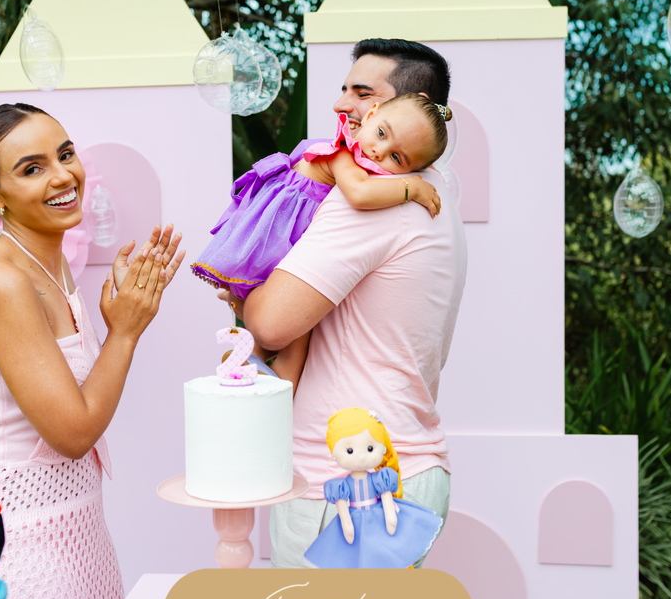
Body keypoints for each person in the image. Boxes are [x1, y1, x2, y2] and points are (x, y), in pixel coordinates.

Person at [0, 103, 185, 599]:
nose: (62, 176)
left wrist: (117, 322)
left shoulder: (49, 263)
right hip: (8, 532)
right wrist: (125, 332)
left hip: (73, 522)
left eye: (66, 154)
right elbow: (73, 433)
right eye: (32, 168)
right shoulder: (2, 283)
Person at [241, 38, 468, 569]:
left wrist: (246, 296)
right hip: (402, 469)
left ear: (412, 105)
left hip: (349, 487)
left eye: (363, 93)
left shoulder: (374, 198)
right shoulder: (434, 193)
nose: (342, 105)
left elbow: (270, 324)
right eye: (344, 89)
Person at [191, 92, 452, 385]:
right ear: (370, 115)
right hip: (283, 230)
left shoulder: (361, 160)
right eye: (381, 133)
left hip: (293, 230)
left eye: (396, 157)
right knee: (295, 326)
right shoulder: (344, 152)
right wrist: (411, 188)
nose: (379, 151)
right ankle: (272, 375)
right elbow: (359, 193)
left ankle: (264, 370)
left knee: (300, 328)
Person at [303, 408, 443, 569]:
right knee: (361, 560)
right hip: (356, 523)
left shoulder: (381, 478)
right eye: (350, 450)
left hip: (379, 519)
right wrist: (347, 526)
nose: (361, 456)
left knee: (386, 557)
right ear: (333, 454)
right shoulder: (341, 485)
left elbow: (387, 501)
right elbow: (343, 511)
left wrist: (391, 517)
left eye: (370, 448)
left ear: (382, 447)